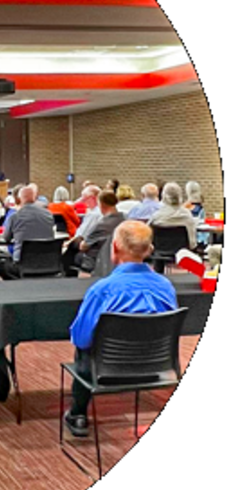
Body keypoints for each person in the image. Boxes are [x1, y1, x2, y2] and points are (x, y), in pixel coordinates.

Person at [63, 221, 178, 437]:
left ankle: (78, 415)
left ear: (114, 247)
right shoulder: (166, 286)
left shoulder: (102, 290)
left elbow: (80, 338)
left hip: (108, 372)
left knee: (82, 350)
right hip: (157, 369)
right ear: (149, 250)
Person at [0, 185, 56, 279]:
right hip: (47, 263)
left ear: (19, 199)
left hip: (22, 265)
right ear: (34, 198)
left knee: (1, 265)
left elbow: (6, 238)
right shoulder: (48, 215)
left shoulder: (15, 217)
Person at [62, 190, 125, 276]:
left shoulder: (101, 225)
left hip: (95, 260)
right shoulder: (125, 219)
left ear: (101, 204)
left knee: (71, 252)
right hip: (119, 258)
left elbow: (83, 246)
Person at [148, 181, 197, 250]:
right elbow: (193, 244)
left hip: (159, 254)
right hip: (182, 255)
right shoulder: (187, 215)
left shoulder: (156, 216)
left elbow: (147, 239)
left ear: (163, 196)